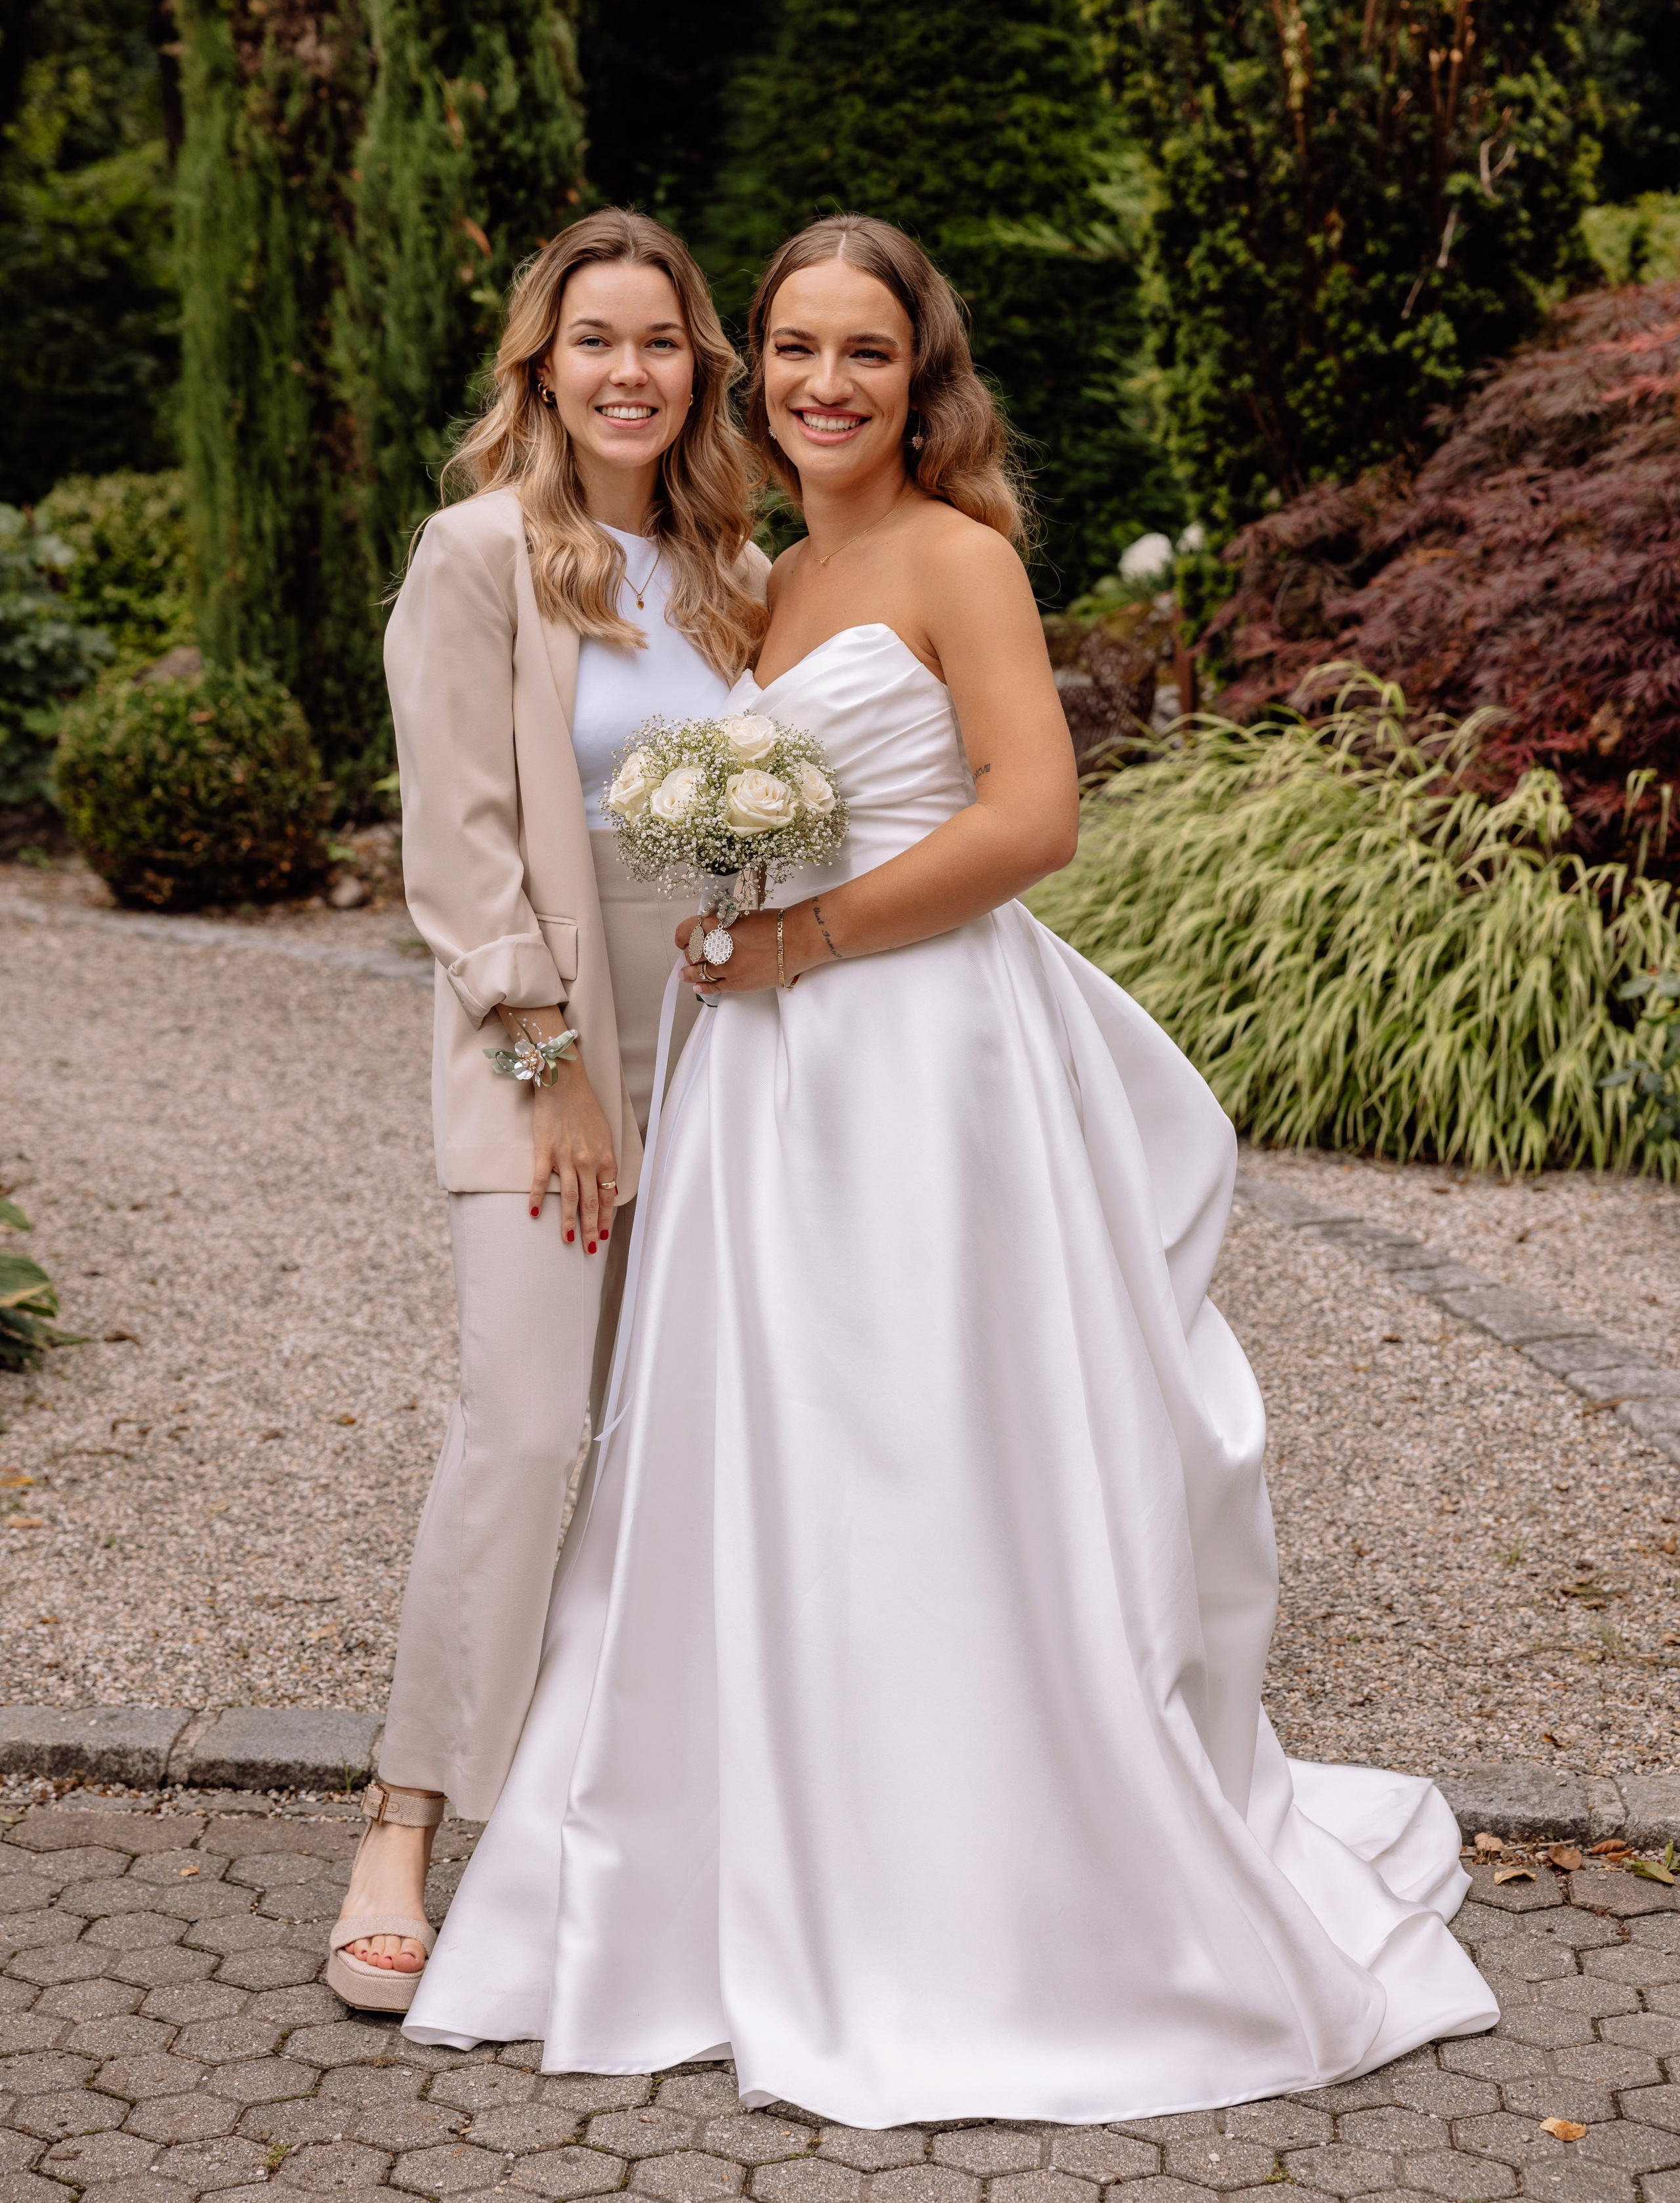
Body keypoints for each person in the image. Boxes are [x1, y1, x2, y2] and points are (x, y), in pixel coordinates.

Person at [403, 215, 1496, 2120]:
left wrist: (805, 940)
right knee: (762, 1448)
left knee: (931, 1440)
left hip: (908, 1060)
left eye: (868, 356)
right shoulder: (761, 569)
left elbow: (1036, 816)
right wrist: (669, 981)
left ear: (924, 380)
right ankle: (720, 1842)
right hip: (747, 1072)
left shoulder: (942, 556)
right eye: (801, 351)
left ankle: (971, 1879)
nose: (828, 385)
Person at [327, 209, 768, 2014]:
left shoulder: (738, 562)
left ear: (699, 366)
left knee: (681, 1454)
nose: (629, 372)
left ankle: (625, 1835)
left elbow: (769, 812)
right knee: (523, 1432)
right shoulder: (480, 553)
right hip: (547, 1067)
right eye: (595, 340)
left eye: (660, 341)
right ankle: (401, 1821)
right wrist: (555, 1064)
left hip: (730, 1059)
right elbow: (460, 846)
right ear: (542, 366)